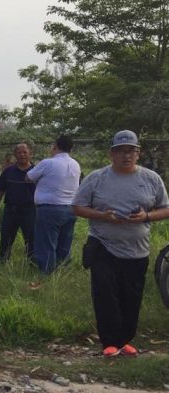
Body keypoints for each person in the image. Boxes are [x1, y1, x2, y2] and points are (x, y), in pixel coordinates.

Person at [72, 130, 169, 358]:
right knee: (106, 294)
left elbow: (165, 208)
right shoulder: (97, 178)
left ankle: (126, 340)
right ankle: (109, 342)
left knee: (131, 296)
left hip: (137, 250)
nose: (126, 156)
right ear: (111, 154)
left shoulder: (151, 179)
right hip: (103, 246)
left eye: (131, 151)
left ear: (138, 153)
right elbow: (76, 206)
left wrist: (146, 216)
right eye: (121, 151)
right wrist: (102, 216)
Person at [26, 135, 81, 277]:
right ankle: (62, 272)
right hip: (71, 208)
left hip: (50, 209)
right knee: (64, 243)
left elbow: (28, 177)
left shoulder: (48, 163)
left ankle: (47, 274)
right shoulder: (75, 164)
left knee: (46, 244)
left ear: (55, 146)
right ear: (71, 148)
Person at [0, 143, 36, 263]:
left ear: (30, 154)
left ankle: (32, 263)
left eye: (25, 152)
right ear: (15, 155)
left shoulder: (36, 171)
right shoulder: (8, 171)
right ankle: (2, 260)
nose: (22, 155)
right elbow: (0, 190)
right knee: (6, 237)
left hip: (30, 211)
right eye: (19, 152)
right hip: (10, 210)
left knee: (31, 238)